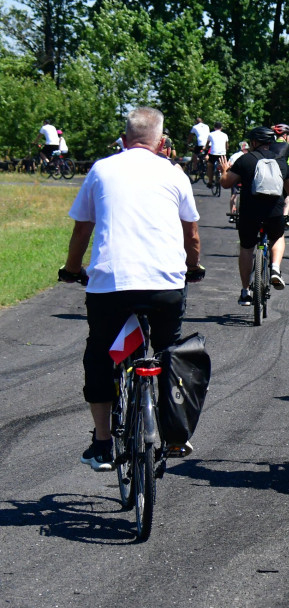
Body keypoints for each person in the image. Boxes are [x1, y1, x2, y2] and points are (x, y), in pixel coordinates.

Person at [59, 106, 203, 471]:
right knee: (170, 351)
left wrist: (72, 269)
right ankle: (175, 433)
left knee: (100, 355)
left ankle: (103, 444)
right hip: (164, 284)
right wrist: (192, 266)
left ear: (124, 140)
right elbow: (192, 234)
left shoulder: (102, 169)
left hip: (111, 284)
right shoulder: (174, 173)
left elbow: (82, 230)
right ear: (161, 142)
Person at [219, 126, 289, 305]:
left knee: (247, 247)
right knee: (278, 237)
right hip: (274, 211)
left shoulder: (245, 160)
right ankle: (275, 268)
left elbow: (226, 183)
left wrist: (224, 170)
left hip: (250, 212)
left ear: (254, 142)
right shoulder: (281, 162)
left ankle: (245, 292)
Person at [226, 141, 249, 217]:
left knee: (234, 194)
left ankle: (232, 214)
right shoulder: (249, 156)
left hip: (235, 177)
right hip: (245, 178)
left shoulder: (234, 156)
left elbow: (228, 165)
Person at [205, 122, 229, 186]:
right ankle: (223, 179)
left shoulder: (211, 134)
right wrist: (226, 150)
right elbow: (226, 145)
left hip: (213, 153)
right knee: (223, 166)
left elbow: (207, 144)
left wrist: (206, 148)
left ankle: (210, 181)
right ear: (221, 128)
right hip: (222, 153)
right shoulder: (225, 135)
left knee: (210, 165)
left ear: (214, 127)